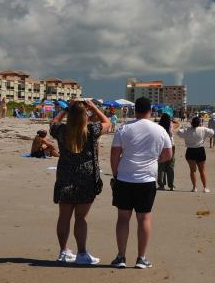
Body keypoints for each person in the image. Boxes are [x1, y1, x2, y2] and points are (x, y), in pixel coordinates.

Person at [110, 97, 174, 269]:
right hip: (146, 180)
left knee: (123, 218)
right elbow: (168, 154)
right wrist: (154, 159)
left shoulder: (124, 128)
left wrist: (116, 173)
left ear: (134, 110)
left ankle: (121, 256)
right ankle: (141, 258)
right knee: (144, 218)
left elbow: (114, 154)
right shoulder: (160, 130)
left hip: (124, 178)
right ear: (151, 111)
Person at [50, 99, 111, 265]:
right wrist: (94, 108)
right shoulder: (91, 129)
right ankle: (82, 253)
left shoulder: (62, 130)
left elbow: (53, 123)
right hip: (86, 177)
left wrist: (66, 110)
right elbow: (108, 123)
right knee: (81, 217)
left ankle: (63, 251)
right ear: (86, 115)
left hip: (65, 175)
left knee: (64, 216)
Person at [177, 116, 215, 192]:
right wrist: (202, 127)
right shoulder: (203, 129)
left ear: (191, 123)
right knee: (202, 170)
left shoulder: (187, 130)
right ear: (199, 123)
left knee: (193, 170)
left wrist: (185, 127)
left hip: (190, 150)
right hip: (200, 150)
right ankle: (205, 188)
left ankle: (194, 187)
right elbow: (212, 132)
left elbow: (179, 132)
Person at [156, 113, 177, 191]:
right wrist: (172, 120)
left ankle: (161, 185)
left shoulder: (159, 126)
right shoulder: (171, 125)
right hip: (171, 146)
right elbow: (178, 124)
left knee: (161, 166)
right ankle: (171, 185)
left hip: (161, 146)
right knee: (170, 166)